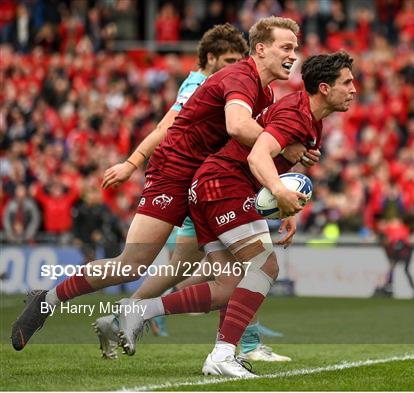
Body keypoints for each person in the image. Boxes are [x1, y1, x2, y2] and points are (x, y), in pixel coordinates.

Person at [11, 16, 316, 352]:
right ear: (260, 49)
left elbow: (259, 149)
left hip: (210, 180)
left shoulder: (266, 91)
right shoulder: (239, 77)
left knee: (223, 274)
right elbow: (238, 127)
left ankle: (221, 344)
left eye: (295, 48)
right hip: (175, 170)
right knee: (132, 265)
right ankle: (49, 300)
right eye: (286, 47)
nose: (293, 55)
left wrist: (286, 184)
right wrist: (132, 163)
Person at [115, 52, 356, 377]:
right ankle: (222, 354)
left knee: (229, 285)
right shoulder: (296, 115)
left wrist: (290, 206)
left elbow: (280, 166)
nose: (354, 88)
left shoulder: (310, 119)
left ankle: (143, 310)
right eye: (348, 82)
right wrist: (280, 192)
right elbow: (258, 156)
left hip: (214, 185)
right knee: (265, 264)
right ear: (325, 88)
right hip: (223, 184)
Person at [94, 23, 290, 362]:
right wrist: (132, 162)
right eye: (228, 59)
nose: (234, 65)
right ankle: (134, 314)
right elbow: (165, 127)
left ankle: (140, 315)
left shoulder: (243, 82)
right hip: (194, 183)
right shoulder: (200, 83)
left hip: (208, 182)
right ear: (210, 59)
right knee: (207, 266)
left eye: (238, 59)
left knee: (219, 268)